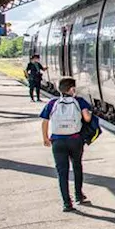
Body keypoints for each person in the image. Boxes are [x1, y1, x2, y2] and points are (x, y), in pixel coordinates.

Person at [40, 77, 93, 212]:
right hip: (75, 140)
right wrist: (89, 114)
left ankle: (66, 203)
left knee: (62, 172)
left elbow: (45, 121)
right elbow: (87, 118)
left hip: (57, 142)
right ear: (72, 89)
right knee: (77, 167)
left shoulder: (52, 103)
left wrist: (46, 138)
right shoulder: (79, 101)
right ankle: (78, 196)